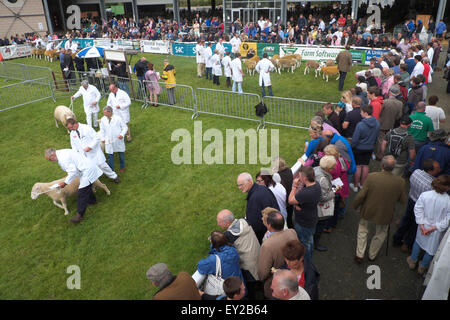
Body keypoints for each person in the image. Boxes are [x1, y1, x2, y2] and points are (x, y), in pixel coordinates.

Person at [353, 156, 407, 263]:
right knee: (381, 233)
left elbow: (361, 195)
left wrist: (355, 205)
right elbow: (403, 200)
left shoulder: (372, 177)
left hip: (369, 209)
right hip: (386, 212)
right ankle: (372, 255)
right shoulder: (400, 181)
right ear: (393, 167)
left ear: (382, 165)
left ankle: (360, 254)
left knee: (363, 230)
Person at [393, 159, 441, 252]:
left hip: (411, 199)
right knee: (415, 225)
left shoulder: (416, 172)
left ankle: (397, 239)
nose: (439, 169)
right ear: (430, 171)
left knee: (406, 219)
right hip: (421, 206)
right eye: (437, 168)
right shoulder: (432, 184)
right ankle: (407, 243)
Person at [45, 148, 103, 223]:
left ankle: (79, 216)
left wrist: (65, 183)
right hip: (84, 169)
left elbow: (73, 171)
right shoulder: (62, 152)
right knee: (87, 187)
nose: (51, 161)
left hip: (87, 171)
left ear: (52, 155)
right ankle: (93, 201)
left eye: (50, 159)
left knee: (81, 193)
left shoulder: (63, 158)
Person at [407, 175, 450, 275]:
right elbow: (447, 219)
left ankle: (413, 261)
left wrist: (421, 225)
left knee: (418, 242)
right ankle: (423, 267)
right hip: (436, 230)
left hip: (423, 225)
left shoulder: (425, 195)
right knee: (431, 249)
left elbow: (418, 209)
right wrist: (435, 227)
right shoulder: (448, 201)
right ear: (447, 187)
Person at [257, 211, 298, 298]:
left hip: (277, 282)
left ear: (269, 225)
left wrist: (262, 279)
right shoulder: (292, 232)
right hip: (293, 274)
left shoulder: (267, 245)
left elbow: (263, 272)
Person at [66, 118, 120, 183]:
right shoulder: (72, 133)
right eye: (69, 128)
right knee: (90, 168)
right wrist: (76, 153)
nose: (71, 129)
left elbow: (97, 138)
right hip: (84, 155)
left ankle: (114, 176)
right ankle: (95, 181)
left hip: (94, 152)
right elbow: (73, 145)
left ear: (75, 124)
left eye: (71, 127)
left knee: (103, 165)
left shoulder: (86, 128)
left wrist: (90, 147)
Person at [288, 166, 322, 262]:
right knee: (309, 240)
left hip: (303, 223)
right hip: (312, 218)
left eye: (299, 177)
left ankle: (307, 264)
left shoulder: (306, 193)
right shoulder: (317, 185)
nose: (298, 178)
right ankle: (310, 257)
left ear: (304, 178)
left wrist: (294, 186)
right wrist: (299, 205)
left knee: (304, 244)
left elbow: (290, 200)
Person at [216, 209, 260, 283]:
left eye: (219, 222)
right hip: (259, 256)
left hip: (249, 268)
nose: (218, 224)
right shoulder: (244, 221)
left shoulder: (229, 235)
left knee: (252, 287)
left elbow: (219, 247)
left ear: (227, 223)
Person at [236, 172, 280, 244]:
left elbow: (255, 224)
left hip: (266, 236)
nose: (239, 188)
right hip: (275, 227)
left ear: (250, 181)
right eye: (238, 185)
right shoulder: (263, 188)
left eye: (241, 185)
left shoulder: (254, 198)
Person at [313, 156, 337, 252]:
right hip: (319, 209)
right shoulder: (322, 179)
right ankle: (315, 244)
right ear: (327, 168)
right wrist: (334, 190)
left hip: (314, 206)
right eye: (333, 167)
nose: (334, 168)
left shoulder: (316, 169)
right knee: (319, 226)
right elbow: (322, 197)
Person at [323, 145, 349, 230]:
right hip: (341, 186)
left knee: (331, 209)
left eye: (326, 154)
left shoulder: (333, 165)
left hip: (335, 188)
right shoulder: (341, 159)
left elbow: (330, 177)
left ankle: (328, 227)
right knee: (335, 208)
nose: (324, 155)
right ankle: (333, 224)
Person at [99, 106, 127, 173]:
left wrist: (122, 134)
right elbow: (102, 130)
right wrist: (102, 138)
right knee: (110, 156)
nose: (104, 115)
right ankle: (111, 170)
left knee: (121, 155)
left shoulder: (118, 118)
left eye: (106, 113)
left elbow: (125, 127)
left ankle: (122, 167)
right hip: (108, 140)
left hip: (117, 139)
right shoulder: (103, 119)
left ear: (110, 112)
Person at [271, 157, 294, 229]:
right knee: (289, 218)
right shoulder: (289, 170)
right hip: (290, 197)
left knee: (283, 221)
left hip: (284, 200)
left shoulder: (277, 176)